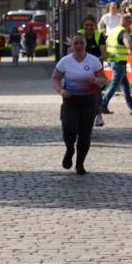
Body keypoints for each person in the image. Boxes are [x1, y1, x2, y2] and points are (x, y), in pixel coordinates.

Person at [50, 33, 107, 175]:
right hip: (70, 101)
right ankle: (70, 150)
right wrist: (61, 91)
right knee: (69, 130)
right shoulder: (65, 61)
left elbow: (104, 80)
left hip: (88, 101)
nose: (79, 46)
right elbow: (55, 78)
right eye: (76, 43)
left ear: (85, 45)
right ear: (71, 45)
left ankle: (80, 164)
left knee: (85, 134)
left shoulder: (93, 61)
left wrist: (96, 80)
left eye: (81, 43)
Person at [102, 14, 132, 115]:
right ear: (127, 22)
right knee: (114, 85)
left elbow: (106, 42)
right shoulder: (124, 32)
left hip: (114, 61)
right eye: (130, 23)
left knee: (125, 86)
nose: (131, 25)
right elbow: (130, 46)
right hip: (119, 63)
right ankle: (103, 104)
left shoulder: (113, 30)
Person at [78, 16, 106, 126]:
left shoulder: (99, 36)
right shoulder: (79, 35)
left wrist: (94, 61)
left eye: (91, 25)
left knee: (97, 91)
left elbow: (103, 53)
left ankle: (99, 115)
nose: (89, 27)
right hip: (80, 68)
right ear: (83, 26)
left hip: (95, 69)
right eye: (86, 25)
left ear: (95, 26)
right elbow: (72, 50)